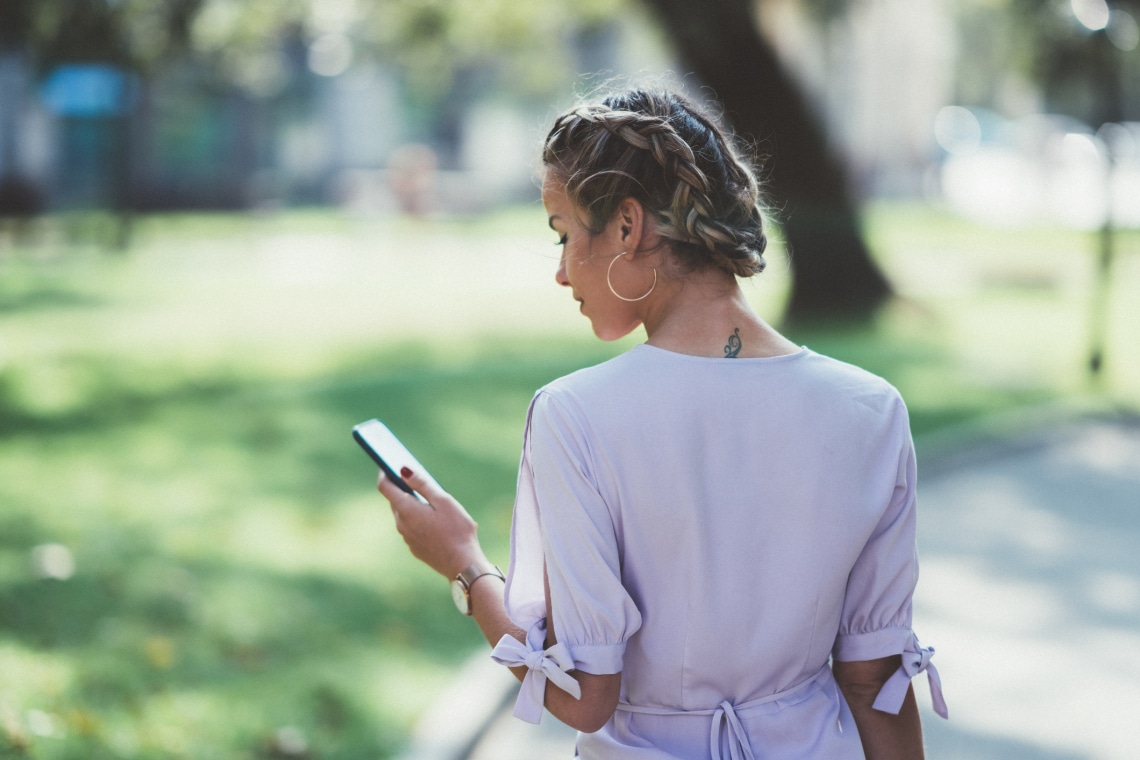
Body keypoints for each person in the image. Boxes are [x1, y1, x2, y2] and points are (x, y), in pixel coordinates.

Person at [376, 86, 947, 760]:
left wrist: (464, 564)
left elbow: (585, 694)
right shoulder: (871, 410)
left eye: (563, 234)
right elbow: (874, 677)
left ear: (626, 226)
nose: (561, 273)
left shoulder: (577, 416)